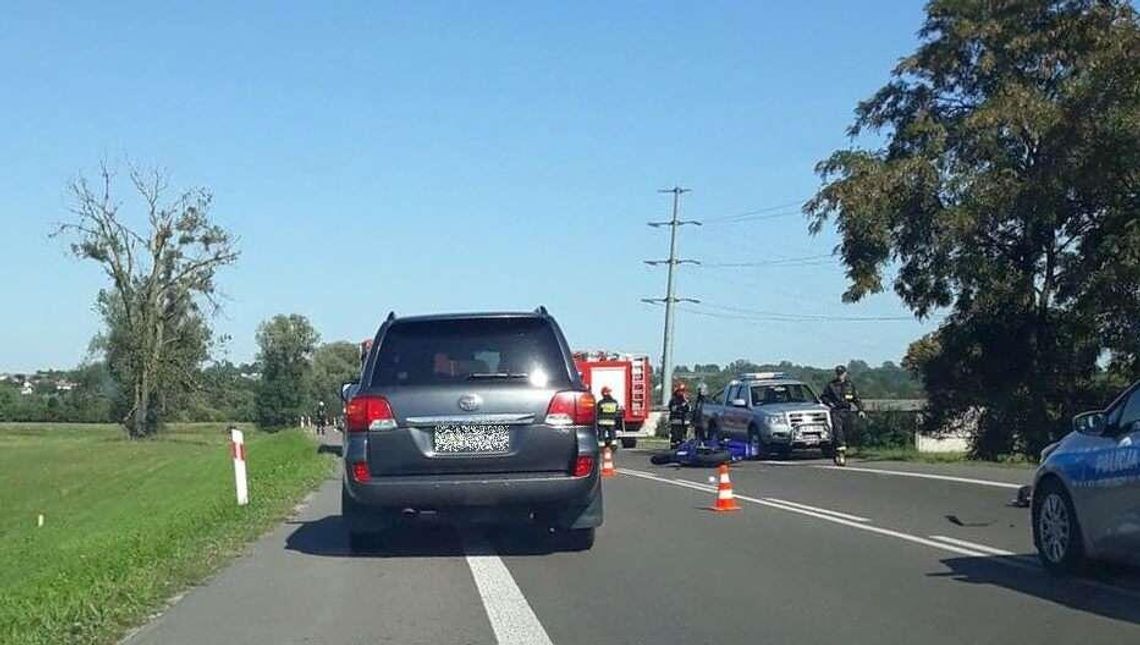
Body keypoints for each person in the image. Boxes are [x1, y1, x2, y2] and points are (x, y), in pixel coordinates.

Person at [820, 365, 865, 454]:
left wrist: (860, 410)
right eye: (838, 373)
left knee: (849, 429)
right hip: (836, 410)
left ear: (845, 373)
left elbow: (856, 398)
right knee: (838, 429)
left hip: (847, 410)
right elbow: (824, 397)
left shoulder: (850, 385)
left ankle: (845, 445)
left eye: (841, 373)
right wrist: (830, 404)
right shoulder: (831, 385)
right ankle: (839, 447)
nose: (840, 375)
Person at [668, 382, 692, 449]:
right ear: (677, 391)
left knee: (683, 438)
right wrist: (681, 406)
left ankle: (682, 448)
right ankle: (673, 449)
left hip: (684, 422)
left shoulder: (686, 400)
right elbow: (673, 409)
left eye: (683, 391)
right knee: (675, 438)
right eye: (680, 391)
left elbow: (689, 409)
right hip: (676, 422)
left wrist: (686, 403)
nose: (682, 393)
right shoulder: (674, 400)